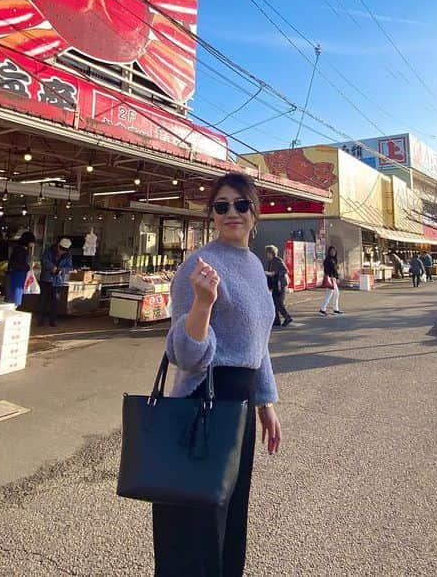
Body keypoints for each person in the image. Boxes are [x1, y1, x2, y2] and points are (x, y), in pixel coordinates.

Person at [155, 173, 282, 576]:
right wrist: (203, 305)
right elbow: (184, 355)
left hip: (240, 404)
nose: (232, 213)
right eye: (222, 206)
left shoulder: (255, 266)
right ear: (211, 215)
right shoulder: (199, 264)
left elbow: (258, 345)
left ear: (254, 213)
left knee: (231, 506)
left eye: (241, 204)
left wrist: (266, 402)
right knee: (197, 515)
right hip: (204, 399)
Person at [38, 237, 73, 327]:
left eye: (64, 250)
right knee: (43, 301)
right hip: (46, 279)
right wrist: (52, 267)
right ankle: (40, 320)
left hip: (58, 281)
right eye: (61, 249)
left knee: (55, 302)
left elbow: (69, 267)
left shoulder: (68, 255)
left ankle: (52, 321)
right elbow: (44, 261)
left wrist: (62, 270)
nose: (62, 251)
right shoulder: (48, 251)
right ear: (58, 245)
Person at [264, 245, 292, 327]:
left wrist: (273, 273)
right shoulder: (271, 262)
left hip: (280, 285)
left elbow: (285, 270)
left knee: (278, 303)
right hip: (275, 285)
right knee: (274, 303)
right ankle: (276, 321)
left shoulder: (277, 260)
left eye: (268, 253)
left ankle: (287, 317)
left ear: (272, 253)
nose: (267, 255)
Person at [4, 237, 31, 307]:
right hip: (18, 276)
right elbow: (19, 264)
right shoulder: (21, 251)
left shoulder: (17, 249)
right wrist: (28, 267)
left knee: (12, 298)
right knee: (15, 299)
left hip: (14, 276)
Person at [319, 245, 342, 315]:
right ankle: (322, 310)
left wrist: (337, 277)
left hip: (333, 278)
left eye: (334, 251)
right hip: (331, 278)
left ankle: (335, 309)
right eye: (332, 251)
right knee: (329, 294)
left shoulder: (334, 259)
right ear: (329, 252)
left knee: (336, 293)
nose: (333, 252)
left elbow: (335, 270)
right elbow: (327, 270)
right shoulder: (327, 259)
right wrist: (329, 276)